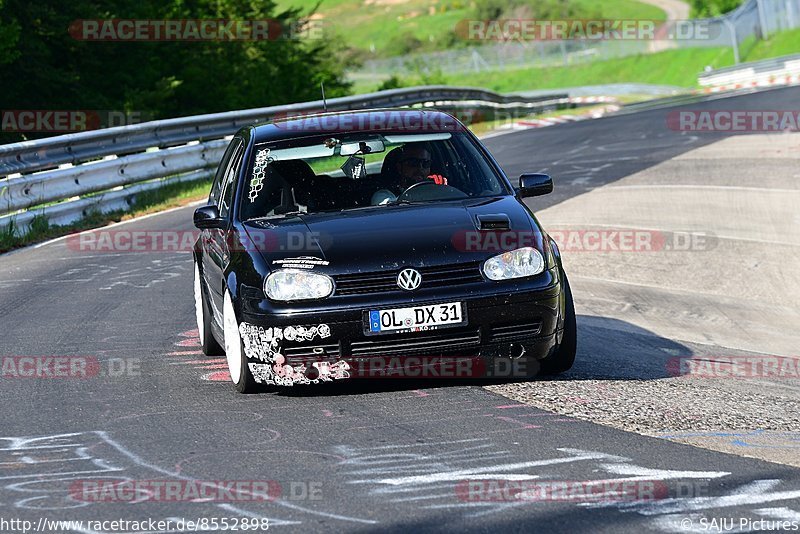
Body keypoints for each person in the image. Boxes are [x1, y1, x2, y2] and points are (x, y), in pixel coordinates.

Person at [371, 143, 448, 205]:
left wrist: (443, 189)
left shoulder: (437, 187)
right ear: (399, 167)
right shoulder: (383, 196)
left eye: (426, 163)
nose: (420, 168)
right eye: (413, 163)